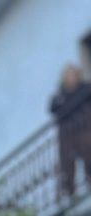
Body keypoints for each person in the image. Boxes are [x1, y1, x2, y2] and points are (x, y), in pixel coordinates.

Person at [50, 62, 91, 199]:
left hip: (85, 131)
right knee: (67, 165)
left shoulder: (85, 89)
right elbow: (54, 109)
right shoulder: (59, 96)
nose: (71, 78)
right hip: (67, 135)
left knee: (89, 157)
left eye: (73, 75)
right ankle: (69, 193)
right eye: (68, 75)